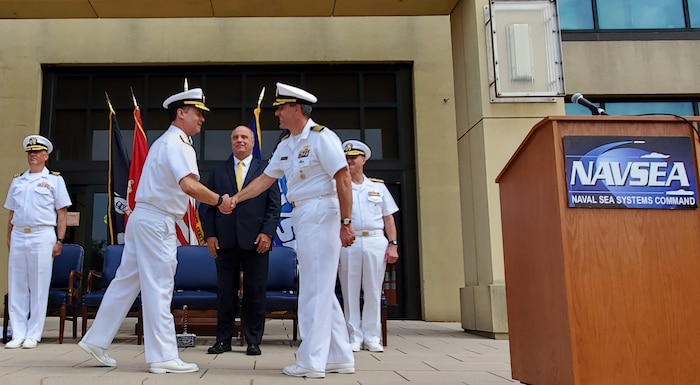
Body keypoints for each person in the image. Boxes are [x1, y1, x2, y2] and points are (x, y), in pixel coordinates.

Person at [79, 87, 235, 374]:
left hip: (144, 218)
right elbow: (188, 185)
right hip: (157, 221)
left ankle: (96, 339)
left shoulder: (165, 142)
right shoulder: (177, 144)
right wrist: (219, 201)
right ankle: (162, 355)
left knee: (126, 282)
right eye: (198, 113)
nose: (202, 119)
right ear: (181, 112)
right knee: (160, 287)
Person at [230, 82, 356, 378]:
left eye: (281, 108)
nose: (276, 113)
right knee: (321, 287)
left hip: (323, 211)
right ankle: (340, 356)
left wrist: (346, 223)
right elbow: (265, 180)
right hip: (304, 214)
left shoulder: (322, 138)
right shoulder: (286, 144)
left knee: (314, 289)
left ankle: (311, 361)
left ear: (296, 109)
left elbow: (344, 178)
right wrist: (237, 197)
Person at [200, 125, 281, 356]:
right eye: (235, 137)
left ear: (253, 143)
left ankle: (253, 340)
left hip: (257, 241)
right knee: (225, 293)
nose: (240, 140)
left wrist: (267, 233)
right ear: (231, 143)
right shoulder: (218, 171)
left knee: (255, 292)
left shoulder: (265, 171)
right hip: (225, 241)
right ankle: (223, 340)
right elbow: (206, 207)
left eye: (244, 137)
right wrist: (210, 235)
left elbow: (274, 206)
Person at [3, 135, 71, 349]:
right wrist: (9, 236)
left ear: (46, 156)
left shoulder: (54, 180)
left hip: (42, 234)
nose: (33, 155)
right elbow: (12, 213)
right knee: (17, 285)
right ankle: (17, 332)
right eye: (30, 152)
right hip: (19, 234)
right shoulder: (18, 181)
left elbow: (62, 213)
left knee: (39, 285)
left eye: (37, 152)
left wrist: (60, 239)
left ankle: (34, 333)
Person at [338, 140, 399, 353]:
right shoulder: (339, 187)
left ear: (363, 160)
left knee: (373, 290)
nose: (350, 161)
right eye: (346, 158)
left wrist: (393, 245)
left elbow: (388, 218)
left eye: (354, 157)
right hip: (349, 242)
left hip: (374, 239)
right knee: (349, 290)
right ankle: (353, 336)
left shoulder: (377, 187)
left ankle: (373, 337)